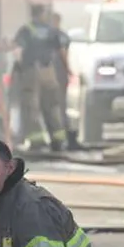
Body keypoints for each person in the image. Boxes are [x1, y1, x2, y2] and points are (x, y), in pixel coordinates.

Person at [14, 4, 67, 152]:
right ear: (42, 14)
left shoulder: (25, 30)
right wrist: (67, 69)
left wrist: (20, 68)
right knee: (52, 106)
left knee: (31, 107)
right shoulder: (51, 30)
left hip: (31, 71)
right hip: (48, 71)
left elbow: (18, 51)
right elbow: (61, 50)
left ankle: (37, 142)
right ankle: (58, 141)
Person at [50, 10, 81, 150]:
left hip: (53, 72)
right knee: (60, 105)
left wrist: (67, 69)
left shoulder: (54, 35)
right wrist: (68, 69)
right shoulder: (61, 35)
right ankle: (66, 137)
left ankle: (62, 137)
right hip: (58, 73)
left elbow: (63, 52)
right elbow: (64, 53)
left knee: (56, 105)